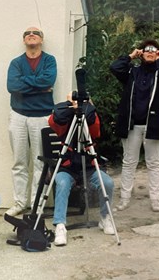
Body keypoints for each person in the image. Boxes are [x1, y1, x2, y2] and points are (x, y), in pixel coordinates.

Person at [109, 39, 159, 212]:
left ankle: (155, 199)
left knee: (153, 162)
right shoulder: (132, 72)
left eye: (155, 51)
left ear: (158, 53)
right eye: (147, 50)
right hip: (132, 125)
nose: (150, 52)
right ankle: (124, 198)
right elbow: (115, 67)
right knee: (129, 162)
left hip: (153, 124)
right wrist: (130, 56)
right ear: (141, 53)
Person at [48, 95, 115, 246]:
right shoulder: (66, 119)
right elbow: (52, 121)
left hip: (89, 167)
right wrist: (68, 106)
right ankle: (60, 225)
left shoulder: (91, 117)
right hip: (68, 167)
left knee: (108, 183)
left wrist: (88, 109)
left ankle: (105, 217)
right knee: (62, 184)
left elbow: (95, 132)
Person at [6, 27, 57, 216]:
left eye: (35, 33)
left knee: (40, 163)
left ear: (41, 40)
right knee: (19, 162)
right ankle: (20, 203)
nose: (31, 34)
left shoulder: (49, 60)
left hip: (42, 115)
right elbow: (12, 85)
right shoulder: (16, 63)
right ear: (24, 40)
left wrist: (27, 84)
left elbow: (48, 81)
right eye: (27, 33)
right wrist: (40, 87)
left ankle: (37, 205)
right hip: (18, 115)